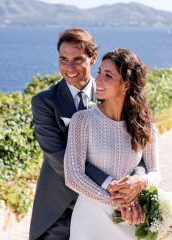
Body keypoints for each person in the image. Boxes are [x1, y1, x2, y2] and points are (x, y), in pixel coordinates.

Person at [29, 29, 148, 240]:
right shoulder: (44, 102)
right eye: (63, 59)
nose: (69, 67)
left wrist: (136, 181)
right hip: (60, 209)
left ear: (93, 58)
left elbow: (135, 146)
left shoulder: (112, 92)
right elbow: (59, 157)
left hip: (109, 209)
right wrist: (111, 187)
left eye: (77, 60)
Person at [64, 48, 161, 239]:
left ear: (126, 84)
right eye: (99, 72)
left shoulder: (145, 125)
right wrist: (119, 203)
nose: (98, 80)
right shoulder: (82, 120)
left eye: (107, 75)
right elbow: (73, 175)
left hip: (130, 219)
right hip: (91, 219)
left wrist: (142, 181)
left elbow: (156, 173)